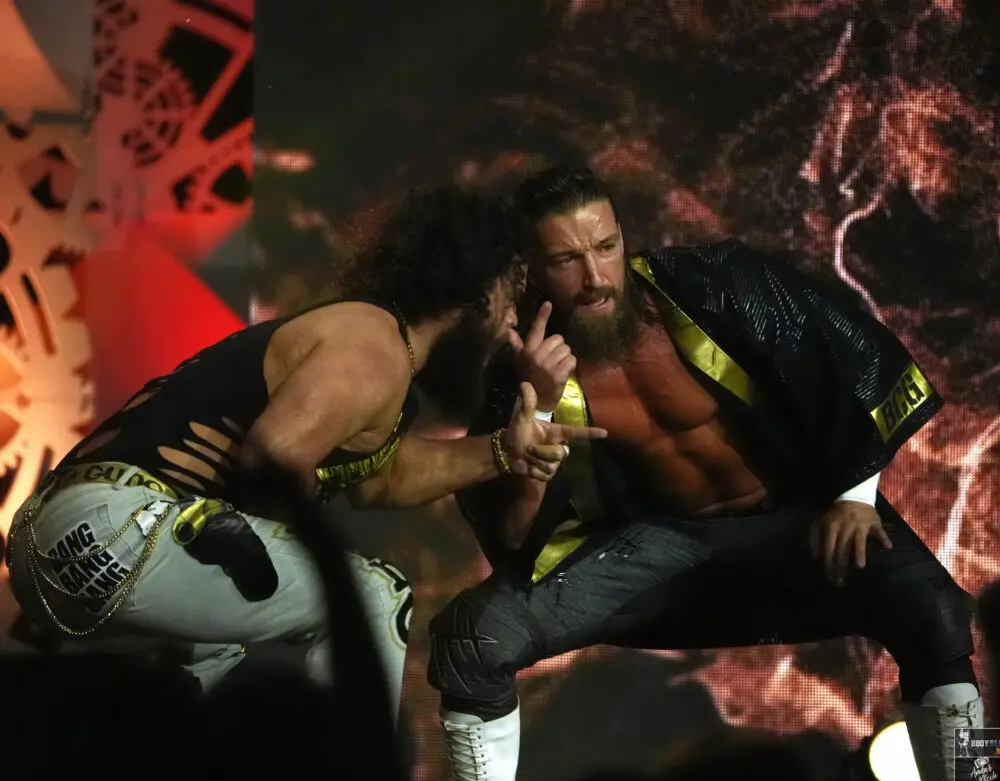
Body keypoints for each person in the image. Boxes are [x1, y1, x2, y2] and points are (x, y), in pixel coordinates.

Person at [428, 167, 981, 781]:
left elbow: (848, 358)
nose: (595, 278)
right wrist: (540, 406)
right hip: (660, 549)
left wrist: (855, 497)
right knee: (476, 638)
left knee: (936, 609)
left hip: (798, 522)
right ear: (529, 268)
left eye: (606, 247)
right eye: (566, 260)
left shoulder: (719, 284)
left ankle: (983, 780)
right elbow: (513, 540)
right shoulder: (516, 372)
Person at [4, 185, 605, 722]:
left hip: (68, 543)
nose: (510, 322)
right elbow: (271, 459)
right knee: (376, 596)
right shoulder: (373, 349)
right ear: (474, 291)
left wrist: (504, 450)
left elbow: (383, 478)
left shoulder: (373, 355)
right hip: (119, 531)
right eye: (509, 296)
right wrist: (325, 557)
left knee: (208, 679)